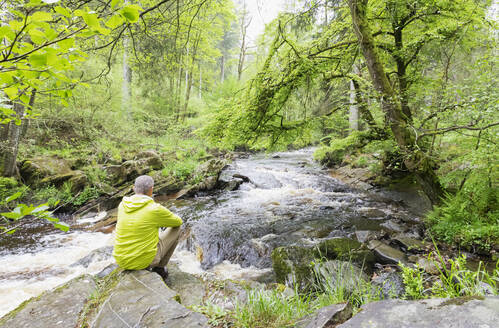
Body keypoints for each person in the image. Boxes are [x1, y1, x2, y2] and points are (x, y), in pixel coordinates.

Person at [112, 175, 183, 279]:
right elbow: (178, 221)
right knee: (177, 228)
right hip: (143, 262)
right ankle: (159, 268)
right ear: (151, 190)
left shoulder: (122, 205)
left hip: (121, 260)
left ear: (133, 188)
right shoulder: (154, 209)